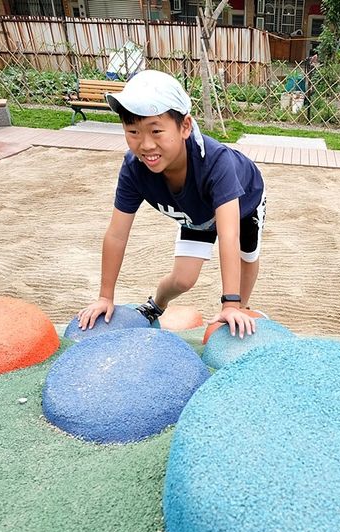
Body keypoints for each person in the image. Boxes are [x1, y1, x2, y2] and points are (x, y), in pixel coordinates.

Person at [77, 69, 265, 338]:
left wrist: (231, 303)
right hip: (197, 213)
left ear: (185, 126)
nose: (146, 144)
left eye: (156, 131)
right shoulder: (134, 168)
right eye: (133, 131)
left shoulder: (217, 163)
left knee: (246, 255)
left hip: (243, 201)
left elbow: (228, 234)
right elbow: (117, 234)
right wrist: (105, 297)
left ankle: (241, 308)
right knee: (183, 279)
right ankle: (156, 305)